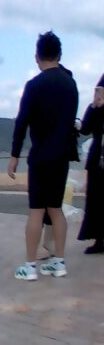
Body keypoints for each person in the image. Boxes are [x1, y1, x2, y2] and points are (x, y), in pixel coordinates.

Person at [8, 31, 79, 280]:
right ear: (59, 54)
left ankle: (30, 266)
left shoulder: (34, 86)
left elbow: (22, 122)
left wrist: (14, 155)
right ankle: (59, 262)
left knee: (36, 211)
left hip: (40, 157)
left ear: (37, 56)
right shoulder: (70, 84)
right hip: (62, 156)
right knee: (56, 209)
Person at [77, 78, 104, 254]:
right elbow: (85, 129)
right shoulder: (94, 108)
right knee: (96, 199)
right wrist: (94, 108)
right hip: (97, 158)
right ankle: (99, 239)